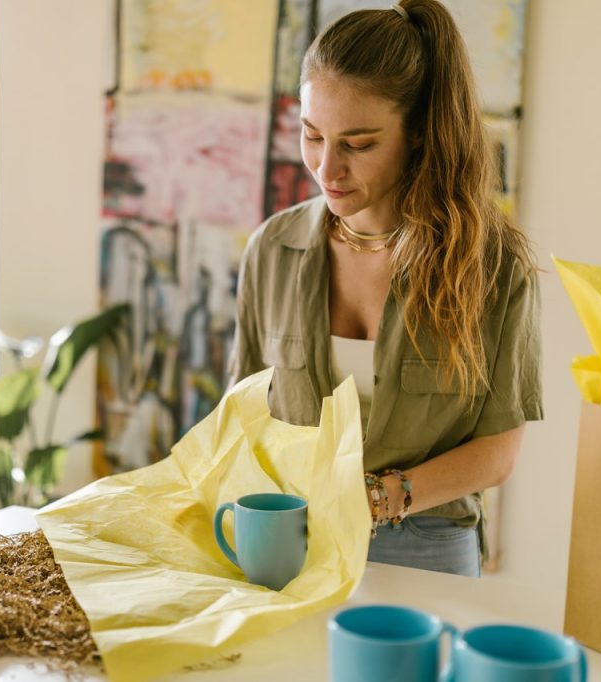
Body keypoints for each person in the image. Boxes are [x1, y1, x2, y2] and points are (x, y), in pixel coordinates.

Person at [228, 0, 542, 577]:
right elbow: (242, 415)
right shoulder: (271, 250)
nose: (326, 169)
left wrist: (376, 501)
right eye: (312, 135)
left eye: (359, 143)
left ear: (419, 134)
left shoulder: (493, 265)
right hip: (288, 540)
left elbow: (499, 452)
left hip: (427, 545)